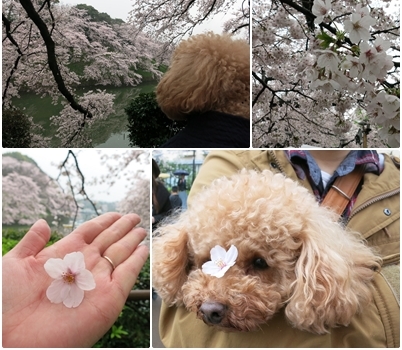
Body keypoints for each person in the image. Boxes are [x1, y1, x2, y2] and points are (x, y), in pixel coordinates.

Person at [158, 149, 400, 347]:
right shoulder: (230, 161)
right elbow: (184, 329)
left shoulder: (394, 177)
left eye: (259, 263)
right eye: (211, 258)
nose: (213, 301)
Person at [3, 212, 149, 348]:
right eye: (68, 277)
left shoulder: (79, 275)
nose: (68, 277)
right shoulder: (61, 271)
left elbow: (86, 282)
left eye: (69, 277)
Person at [152, 159, 172, 231]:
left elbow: (169, 213)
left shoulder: (161, 190)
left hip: (156, 231)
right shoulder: (140, 190)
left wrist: (155, 218)